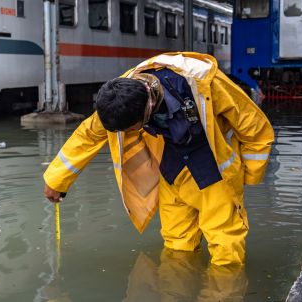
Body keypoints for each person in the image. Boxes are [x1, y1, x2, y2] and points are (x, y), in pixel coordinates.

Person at [42, 52, 274, 266]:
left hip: (213, 174)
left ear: (143, 115)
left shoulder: (202, 80)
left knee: (226, 251)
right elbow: (89, 134)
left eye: (126, 129)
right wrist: (56, 180)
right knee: (177, 248)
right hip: (172, 174)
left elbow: (253, 124)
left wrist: (249, 176)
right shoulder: (120, 94)